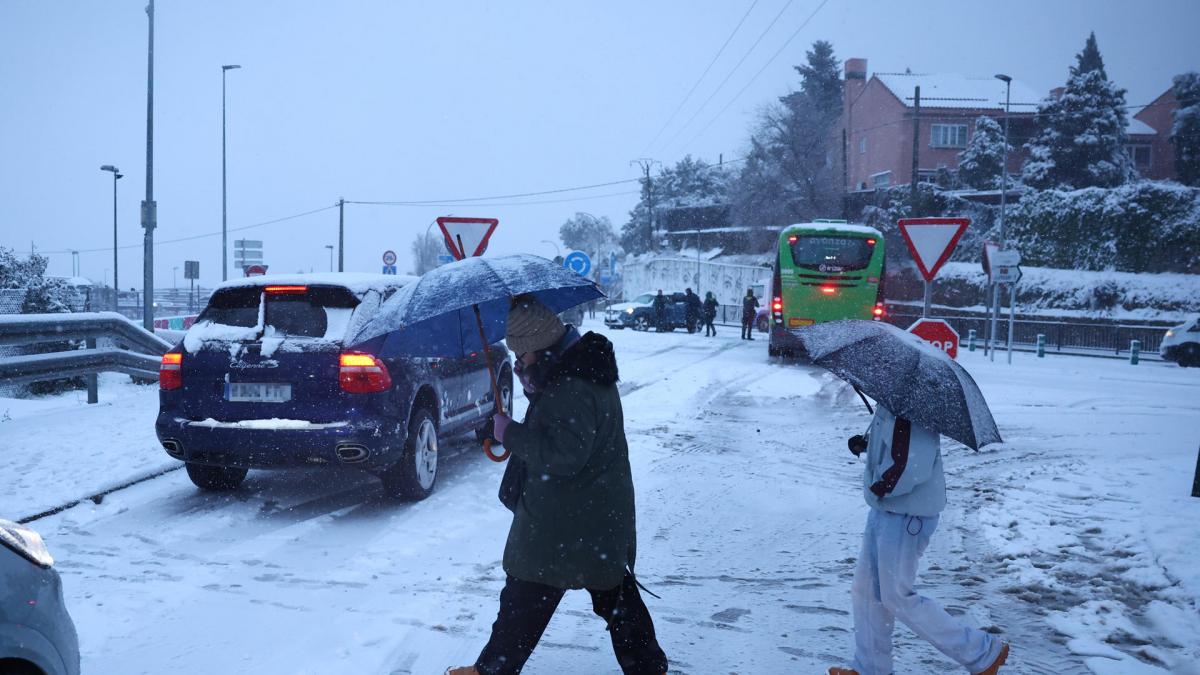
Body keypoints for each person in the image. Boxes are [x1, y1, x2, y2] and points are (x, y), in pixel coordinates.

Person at [448, 296, 668, 675]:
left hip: (566, 518)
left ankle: (492, 670)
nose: (518, 365)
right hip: (590, 514)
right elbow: (564, 430)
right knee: (612, 594)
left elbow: (565, 456)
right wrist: (531, 391)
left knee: (527, 595)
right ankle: (648, 666)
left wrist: (510, 433)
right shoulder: (575, 372)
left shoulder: (572, 386)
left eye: (522, 357)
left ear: (539, 349)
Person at [828, 405, 1009, 675]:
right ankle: (870, 668)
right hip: (885, 510)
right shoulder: (893, 401)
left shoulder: (913, 408)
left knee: (896, 597)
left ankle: (982, 652)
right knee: (866, 591)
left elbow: (914, 464)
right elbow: (895, 446)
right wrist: (868, 444)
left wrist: (881, 485)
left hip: (906, 515)